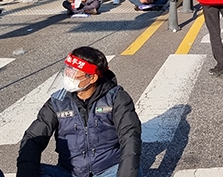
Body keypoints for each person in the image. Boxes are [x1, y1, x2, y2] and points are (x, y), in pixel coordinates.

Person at [17, 47, 142, 177]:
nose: (68, 74)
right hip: (69, 172)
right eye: (68, 68)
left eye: (74, 71)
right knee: (32, 169)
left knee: (132, 170)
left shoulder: (116, 98)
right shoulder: (57, 101)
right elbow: (33, 138)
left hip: (108, 170)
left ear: (92, 78)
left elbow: (130, 137)